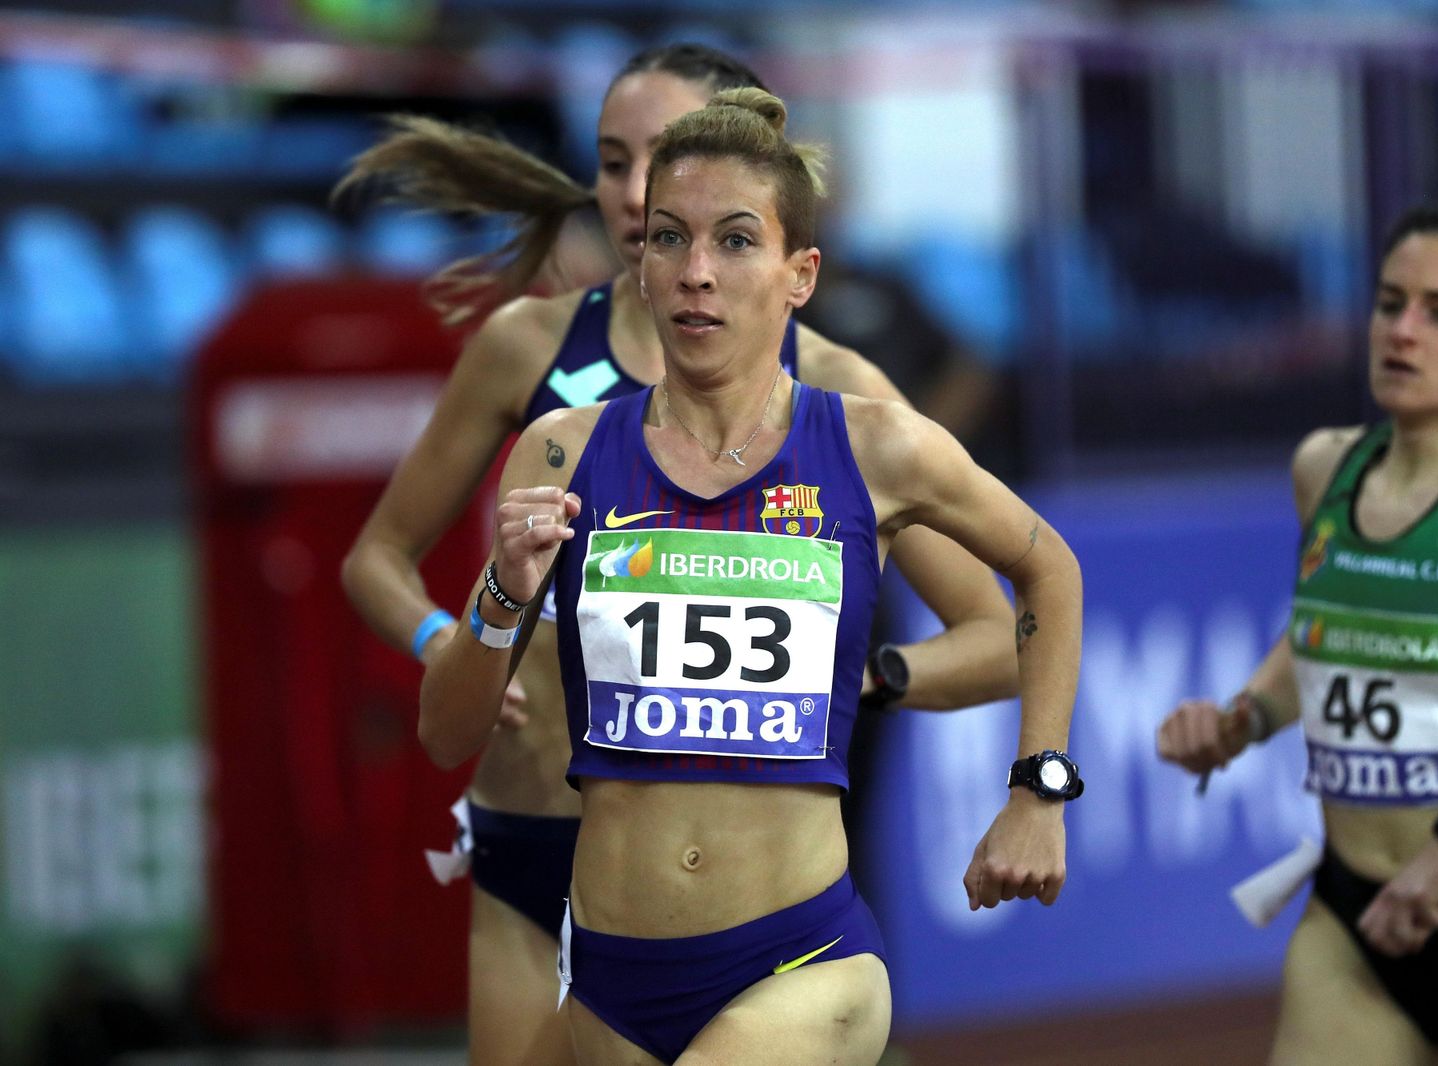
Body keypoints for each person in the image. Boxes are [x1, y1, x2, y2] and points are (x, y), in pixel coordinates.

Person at [338, 44, 1019, 1066]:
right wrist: (459, 634)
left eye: (661, 156)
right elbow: (376, 558)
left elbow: (1005, 632)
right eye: (613, 162)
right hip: (536, 841)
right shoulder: (532, 350)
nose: (635, 189)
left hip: (741, 893)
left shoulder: (832, 391)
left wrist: (859, 681)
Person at [1156, 201, 1438, 1064]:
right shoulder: (1325, 466)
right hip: (1352, 920)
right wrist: (1241, 719)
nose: (1404, 332)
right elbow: (1324, 639)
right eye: (1391, 303)